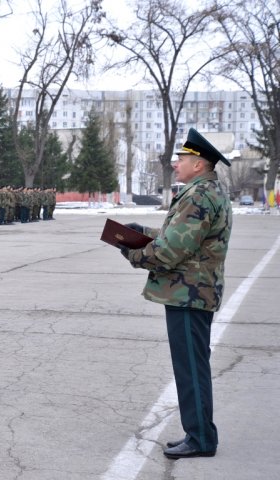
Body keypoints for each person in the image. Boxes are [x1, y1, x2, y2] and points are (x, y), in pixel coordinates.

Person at [120, 128, 232, 460]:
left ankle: (200, 437)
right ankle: (200, 433)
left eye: (182, 158)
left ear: (199, 163)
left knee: (191, 367)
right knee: (193, 365)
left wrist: (135, 253)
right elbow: (180, 235)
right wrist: (143, 234)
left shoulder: (198, 196)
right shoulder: (206, 191)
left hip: (188, 293)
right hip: (193, 291)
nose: (176, 163)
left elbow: (172, 249)